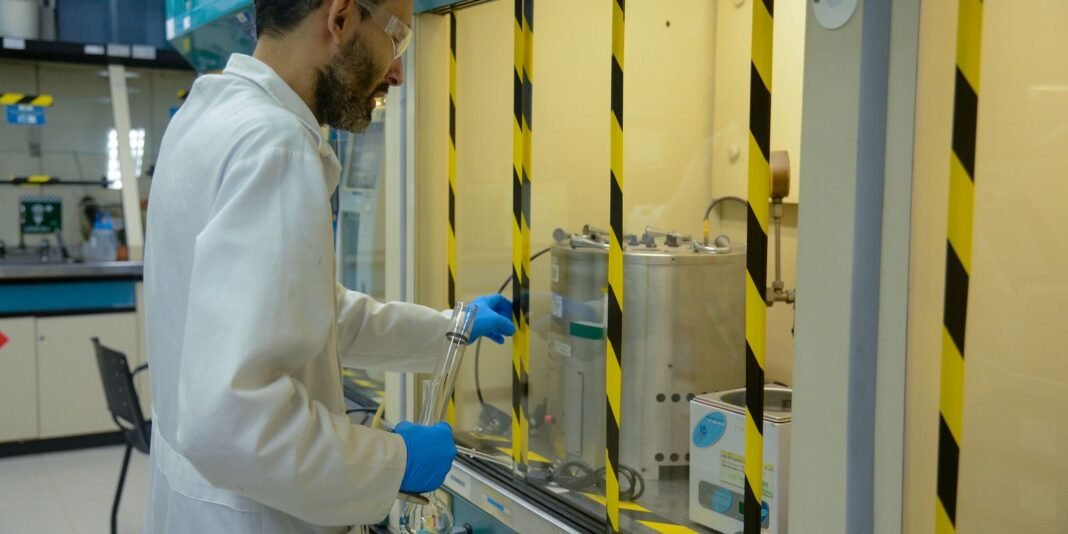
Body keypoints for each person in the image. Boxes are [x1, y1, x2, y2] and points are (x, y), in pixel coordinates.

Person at [142, 0, 516, 531]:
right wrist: (393, 462)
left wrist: (447, 330)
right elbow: (232, 422)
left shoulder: (206, 117)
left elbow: (302, 311)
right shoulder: (275, 146)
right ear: (340, 17)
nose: (398, 72)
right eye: (397, 39)